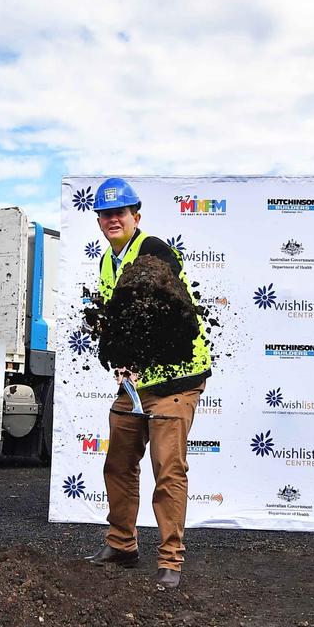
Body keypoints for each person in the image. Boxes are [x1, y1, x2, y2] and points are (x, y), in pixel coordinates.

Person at [83, 177, 211, 590]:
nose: (112, 219)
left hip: (176, 376)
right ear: (100, 221)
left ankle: (170, 560)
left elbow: (162, 309)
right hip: (137, 382)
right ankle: (122, 545)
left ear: (135, 216)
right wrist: (119, 360)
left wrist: (141, 356)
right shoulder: (108, 261)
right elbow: (115, 317)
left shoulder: (153, 250)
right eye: (106, 214)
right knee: (118, 461)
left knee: (167, 469)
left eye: (120, 212)